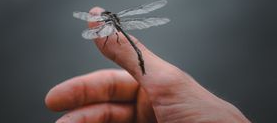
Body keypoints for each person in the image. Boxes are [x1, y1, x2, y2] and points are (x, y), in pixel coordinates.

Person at [45, 7, 251, 123]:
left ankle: (138, 60)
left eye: (107, 17)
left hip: (117, 38)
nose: (107, 18)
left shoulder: (108, 25)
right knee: (116, 39)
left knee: (114, 39)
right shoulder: (113, 21)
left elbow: (103, 32)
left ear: (108, 18)